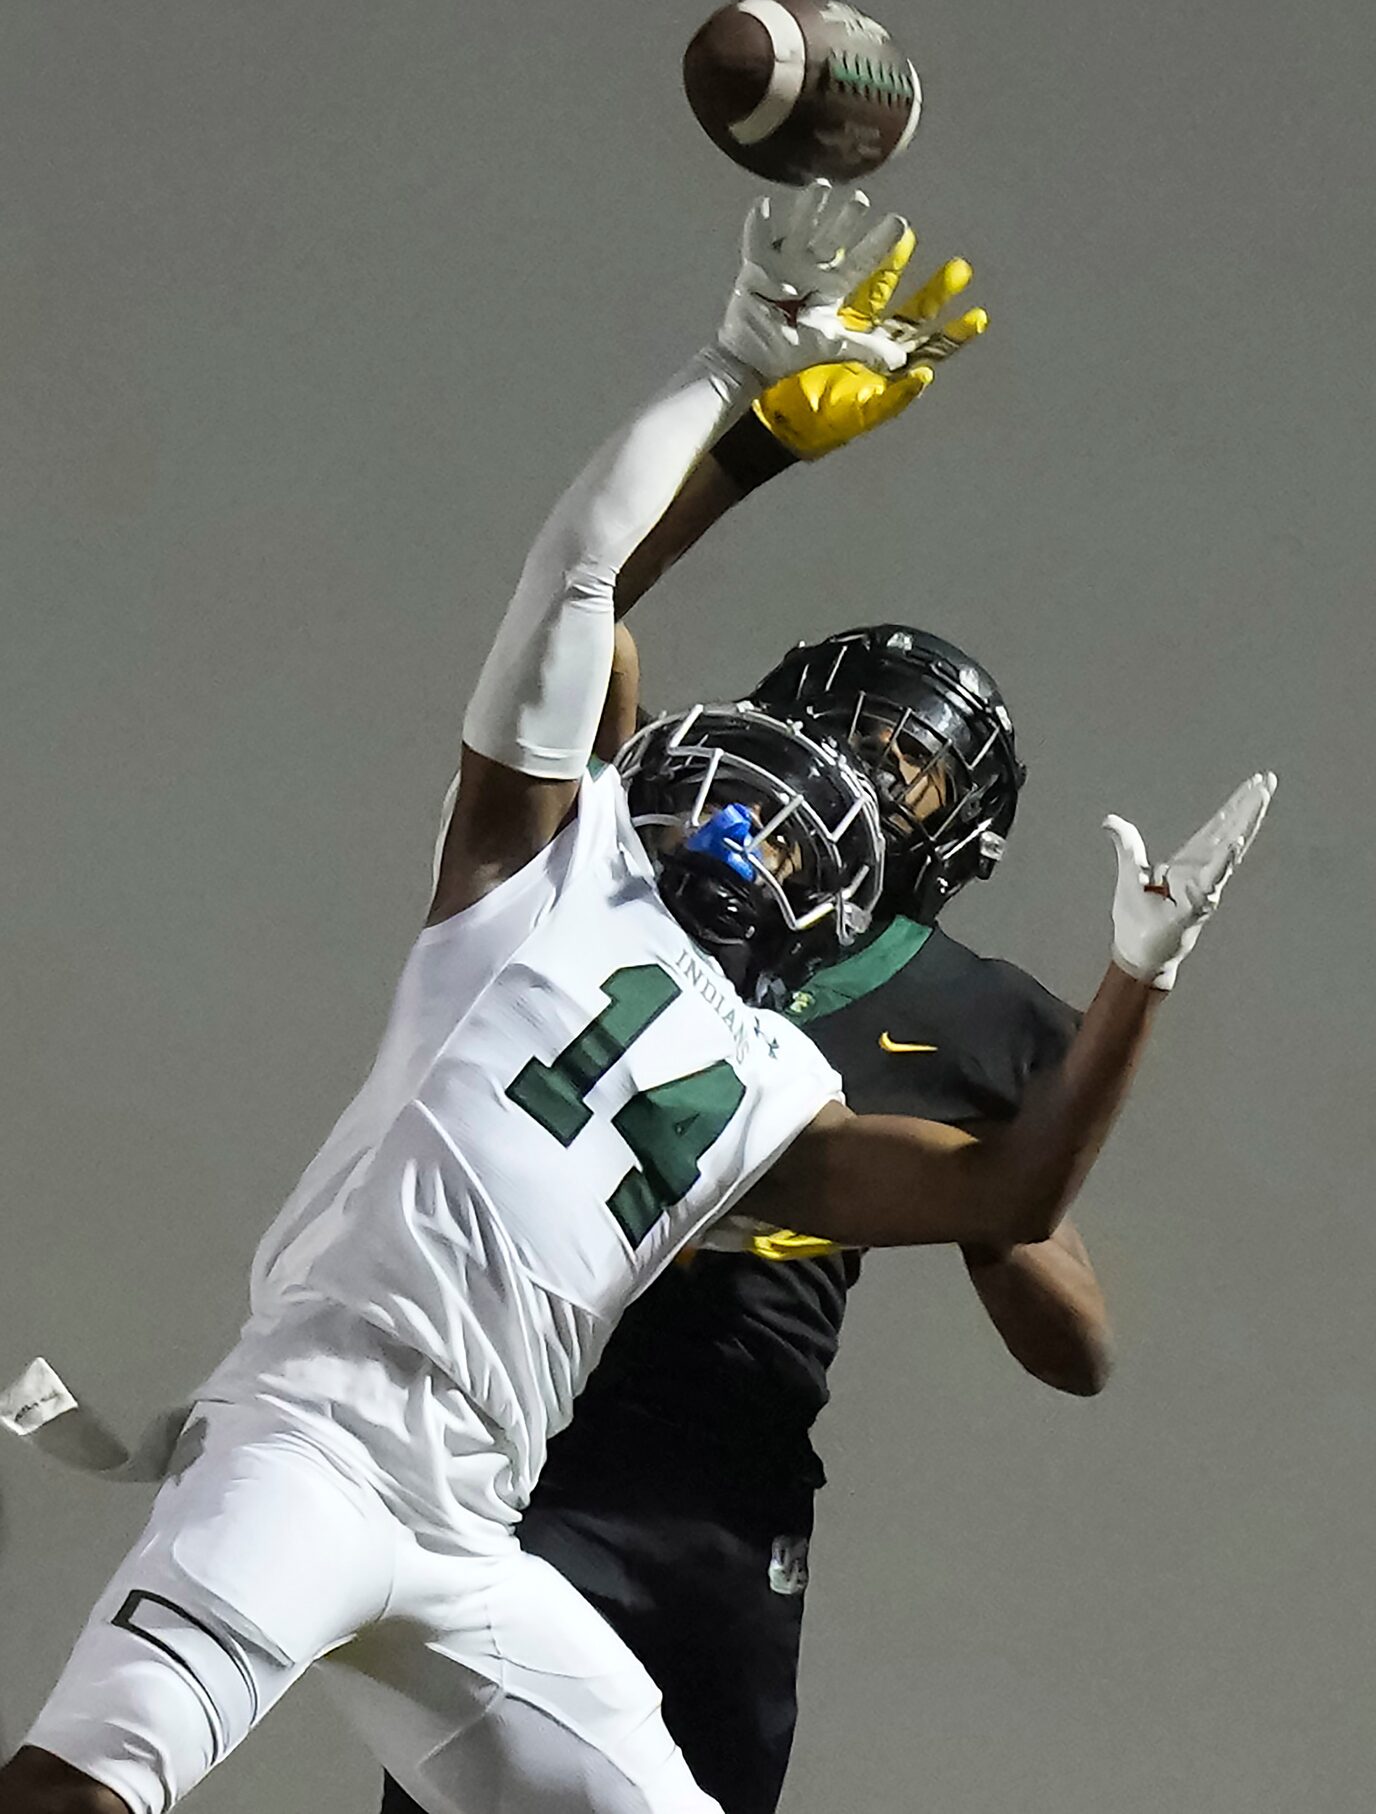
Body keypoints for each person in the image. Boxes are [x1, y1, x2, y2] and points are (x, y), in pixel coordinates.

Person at [0, 184, 1272, 1814]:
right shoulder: (530, 887)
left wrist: (1137, 972)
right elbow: (588, 585)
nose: (768, 813)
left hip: (473, 1521)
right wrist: (734, 377)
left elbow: (1015, 1195)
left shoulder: (745, 1065)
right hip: (316, 1452)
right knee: (85, 1788)